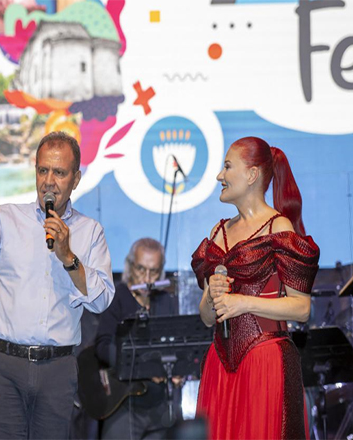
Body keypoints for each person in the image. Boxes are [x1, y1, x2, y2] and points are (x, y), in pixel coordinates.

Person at [0, 131, 115, 439]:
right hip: (5, 366)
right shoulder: (6, 218)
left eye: (59, 172)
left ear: (76, 179)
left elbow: (101, 300)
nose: (49, 181)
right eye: (42, 170)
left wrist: (68, 257)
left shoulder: (90, 232)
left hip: (57, 368)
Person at [191, 136, 319, 439]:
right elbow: (207, 318)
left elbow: (302, 308)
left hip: (265, 362)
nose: (219, 176)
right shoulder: (218, 231)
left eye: (227, 167)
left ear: (251, 175)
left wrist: (243, 303)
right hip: (220, 365)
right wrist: (211, 294)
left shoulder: (278, 228)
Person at [95, 238, 179, 439]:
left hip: (159, 404)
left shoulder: (166, 301)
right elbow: (103, 347)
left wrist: (177, 368)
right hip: (124, 402)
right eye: (141, 269)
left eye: (154, 271)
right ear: (130, 265)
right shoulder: (116, 297)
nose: (147, 278)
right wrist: (145, 367)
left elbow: (176, 344)